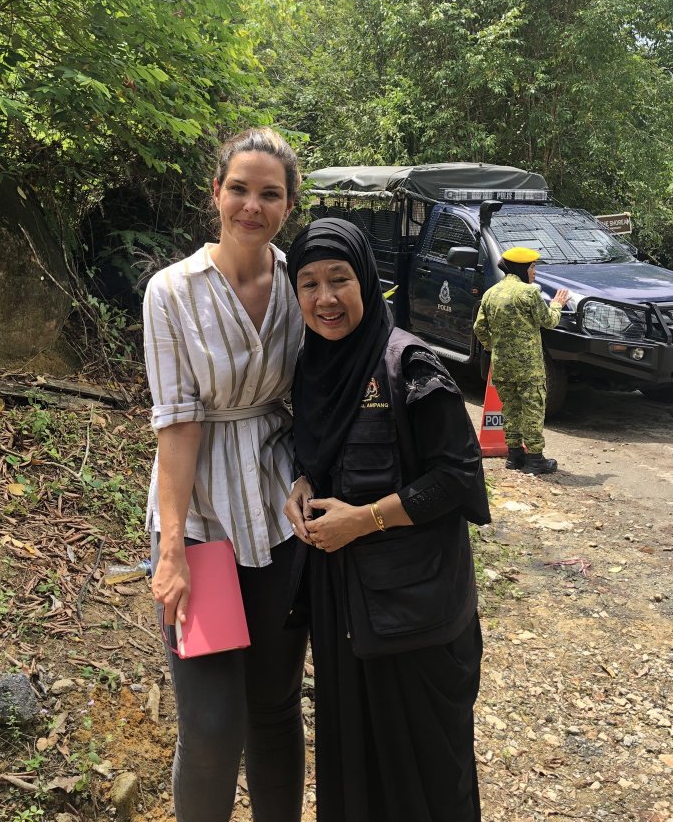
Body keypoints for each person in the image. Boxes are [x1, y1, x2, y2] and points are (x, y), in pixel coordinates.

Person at [284, 218, 490, 822]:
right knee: (355, 758)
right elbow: (318, 453)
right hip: (343, 605)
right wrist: (301, 483)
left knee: (427, 772)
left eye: (339, 279)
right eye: (309, 284)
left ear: (368, 282)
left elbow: (458, 477)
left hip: (414, 612)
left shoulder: (410, 365)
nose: (325, 298)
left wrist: (364, 520)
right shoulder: (312, 367)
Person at [143, 127, 308, 822]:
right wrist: (171, 549)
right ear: (215, 193)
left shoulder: (302, 282)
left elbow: (321, 392)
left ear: (288, 205)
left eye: (270, 194)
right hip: (202, 522)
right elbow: (178, 423)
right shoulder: (173, 291)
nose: (251, 206)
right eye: (239, 189)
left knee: (274, 707)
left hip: (280, 514)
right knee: (212, 724)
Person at [473, 246, 570, 474]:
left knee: (511, 409)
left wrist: (493, 347)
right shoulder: (529, 293)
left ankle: (514, 456)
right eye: (532, 267)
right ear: (522, 267)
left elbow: (479, 328)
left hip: (502, 365)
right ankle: (535, 459)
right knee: (533, 410)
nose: (534, 272)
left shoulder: (491, 293)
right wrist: (557, 304)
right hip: (529, 368)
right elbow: (549, 321)